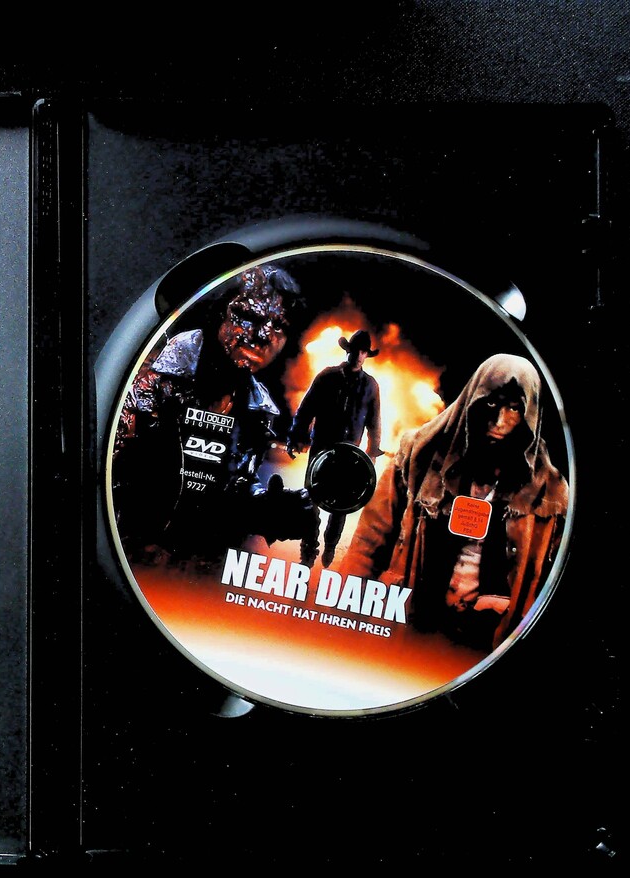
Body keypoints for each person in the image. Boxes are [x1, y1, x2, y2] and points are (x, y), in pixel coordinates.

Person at [342, 353, 569, 651]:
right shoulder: (418, 456)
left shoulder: (549, 493)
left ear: (529, 415)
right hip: (411, 623)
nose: (499, 422)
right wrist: (343, 622)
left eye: (514, 408)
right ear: (473, 399)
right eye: (491, 403)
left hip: (486, 644)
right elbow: (368, 543)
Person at [111, 264, 319, 564]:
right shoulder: (145, 378)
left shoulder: (258, 411)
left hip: (188, 576)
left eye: (278, 325)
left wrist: (267, 508)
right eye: (248, 316)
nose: (263, 335)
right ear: (217, 313)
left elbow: (229, 490)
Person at [287, 329, 385, 567]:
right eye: (356, 350)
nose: (358, 355)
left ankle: (330, 545)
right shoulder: (327, 376)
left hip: (350, 454)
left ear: (366, 355)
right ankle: (308, 548)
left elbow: (374, 421)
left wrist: (372, 451)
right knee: (312, 499)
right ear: (348, 350)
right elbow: (306, 408)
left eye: (363, 352)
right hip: (322, 449)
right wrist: (296, 436)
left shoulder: (370, 386)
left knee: (342, 503)